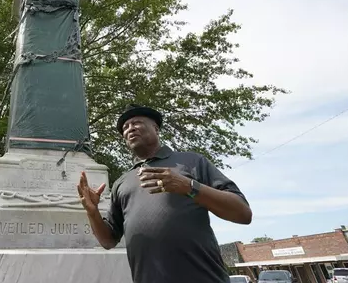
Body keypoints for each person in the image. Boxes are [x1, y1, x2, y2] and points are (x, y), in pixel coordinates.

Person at [77, 104, 252, 283]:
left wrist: (189, 187)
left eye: (136, 122)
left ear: (156, 128)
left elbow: (243, 213)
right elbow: (108, 241)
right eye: (125, 127)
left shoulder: (191, 162)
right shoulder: (121, 182)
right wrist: (92, 212)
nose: (130, 128)